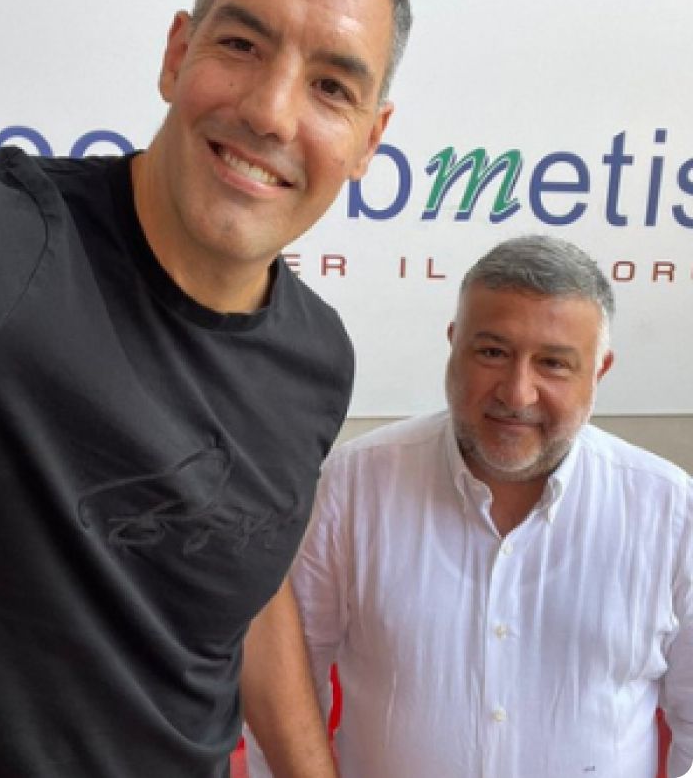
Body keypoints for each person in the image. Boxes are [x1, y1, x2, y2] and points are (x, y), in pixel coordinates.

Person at [0, 0, 411, 776]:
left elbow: (241, 574)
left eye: (331, 87)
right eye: (242, 45)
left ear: (370, 140)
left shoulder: (319, 359)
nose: (270, 111)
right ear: (178, 54)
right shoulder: (5, 243)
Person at [246, 234, 693, 778]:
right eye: (492, 353)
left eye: (553, 363)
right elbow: (281, 691)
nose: (517, 393)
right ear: (454, 344)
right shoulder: (351, 485)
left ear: (598, 371)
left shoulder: (671, 511)